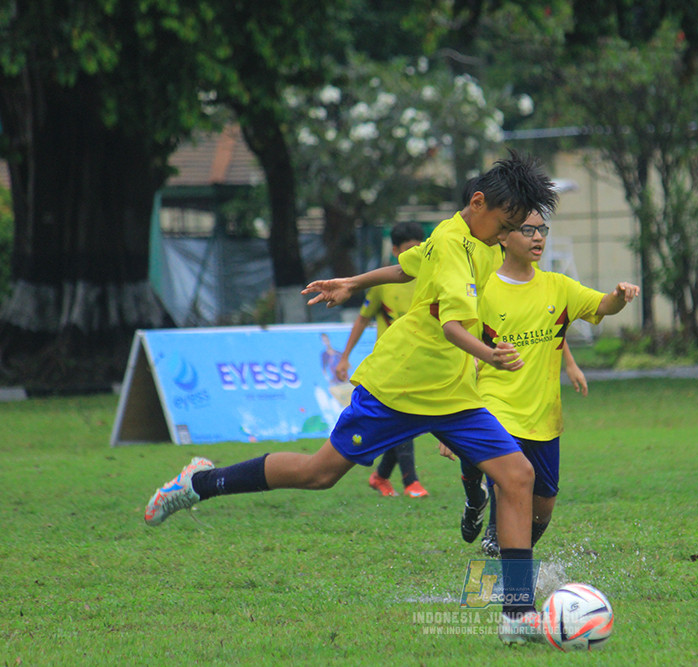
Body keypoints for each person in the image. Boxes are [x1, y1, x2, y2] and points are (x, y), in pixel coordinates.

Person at [143, 150, 558, 645]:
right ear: (478, 202)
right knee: (317, 474)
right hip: (398, 388)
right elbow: (451, 326)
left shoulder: (470, 236)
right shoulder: (452, 243)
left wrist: (353, 282)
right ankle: (199, 482)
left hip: (452, 394)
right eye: (506, 225)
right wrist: (490, 356)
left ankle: (517, 615)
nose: (507, 236)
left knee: (518, 475)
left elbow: (406, 269)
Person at [441, 209, 639, 557]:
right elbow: (464, 352)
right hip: (496, 406)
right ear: (503, 237)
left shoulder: (558, 286)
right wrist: (455, 418)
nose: (538, 237)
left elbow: (602, 305)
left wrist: (619, 297)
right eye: (528, 230)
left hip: (544, 416)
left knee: (542, 508)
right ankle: (495, 540)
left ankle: (510, 558)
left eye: (542, 230)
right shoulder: (483, 290)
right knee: (510, 484)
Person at [334, 221, 429, 498]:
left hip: (422, 362)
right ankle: (411, 482)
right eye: (408, 250)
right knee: (405, 416)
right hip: (392, 364)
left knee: (406, 421)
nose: (414, 255)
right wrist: (344, 357)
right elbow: (362, 320)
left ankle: (381, 476)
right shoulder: (383, 284)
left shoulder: (429, 280)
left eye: (419, 248)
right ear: (396, 251)